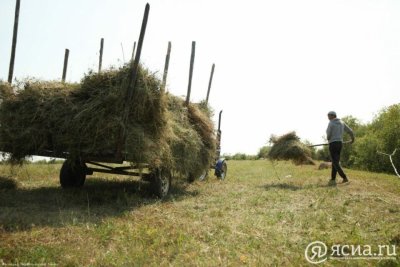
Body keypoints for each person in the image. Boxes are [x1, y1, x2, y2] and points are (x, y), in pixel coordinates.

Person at [326, 111, 355, 183]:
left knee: (335, 162)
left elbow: (328, 134)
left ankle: (344, 177)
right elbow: (350, 131)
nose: (328, 117)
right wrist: (352, 139)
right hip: (340, 143)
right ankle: (333, 178)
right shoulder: (342, 122)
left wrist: (328, 139)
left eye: (328, 115)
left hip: (333, 144)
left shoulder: (331, 123)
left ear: (333, 116)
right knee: (335, 161)